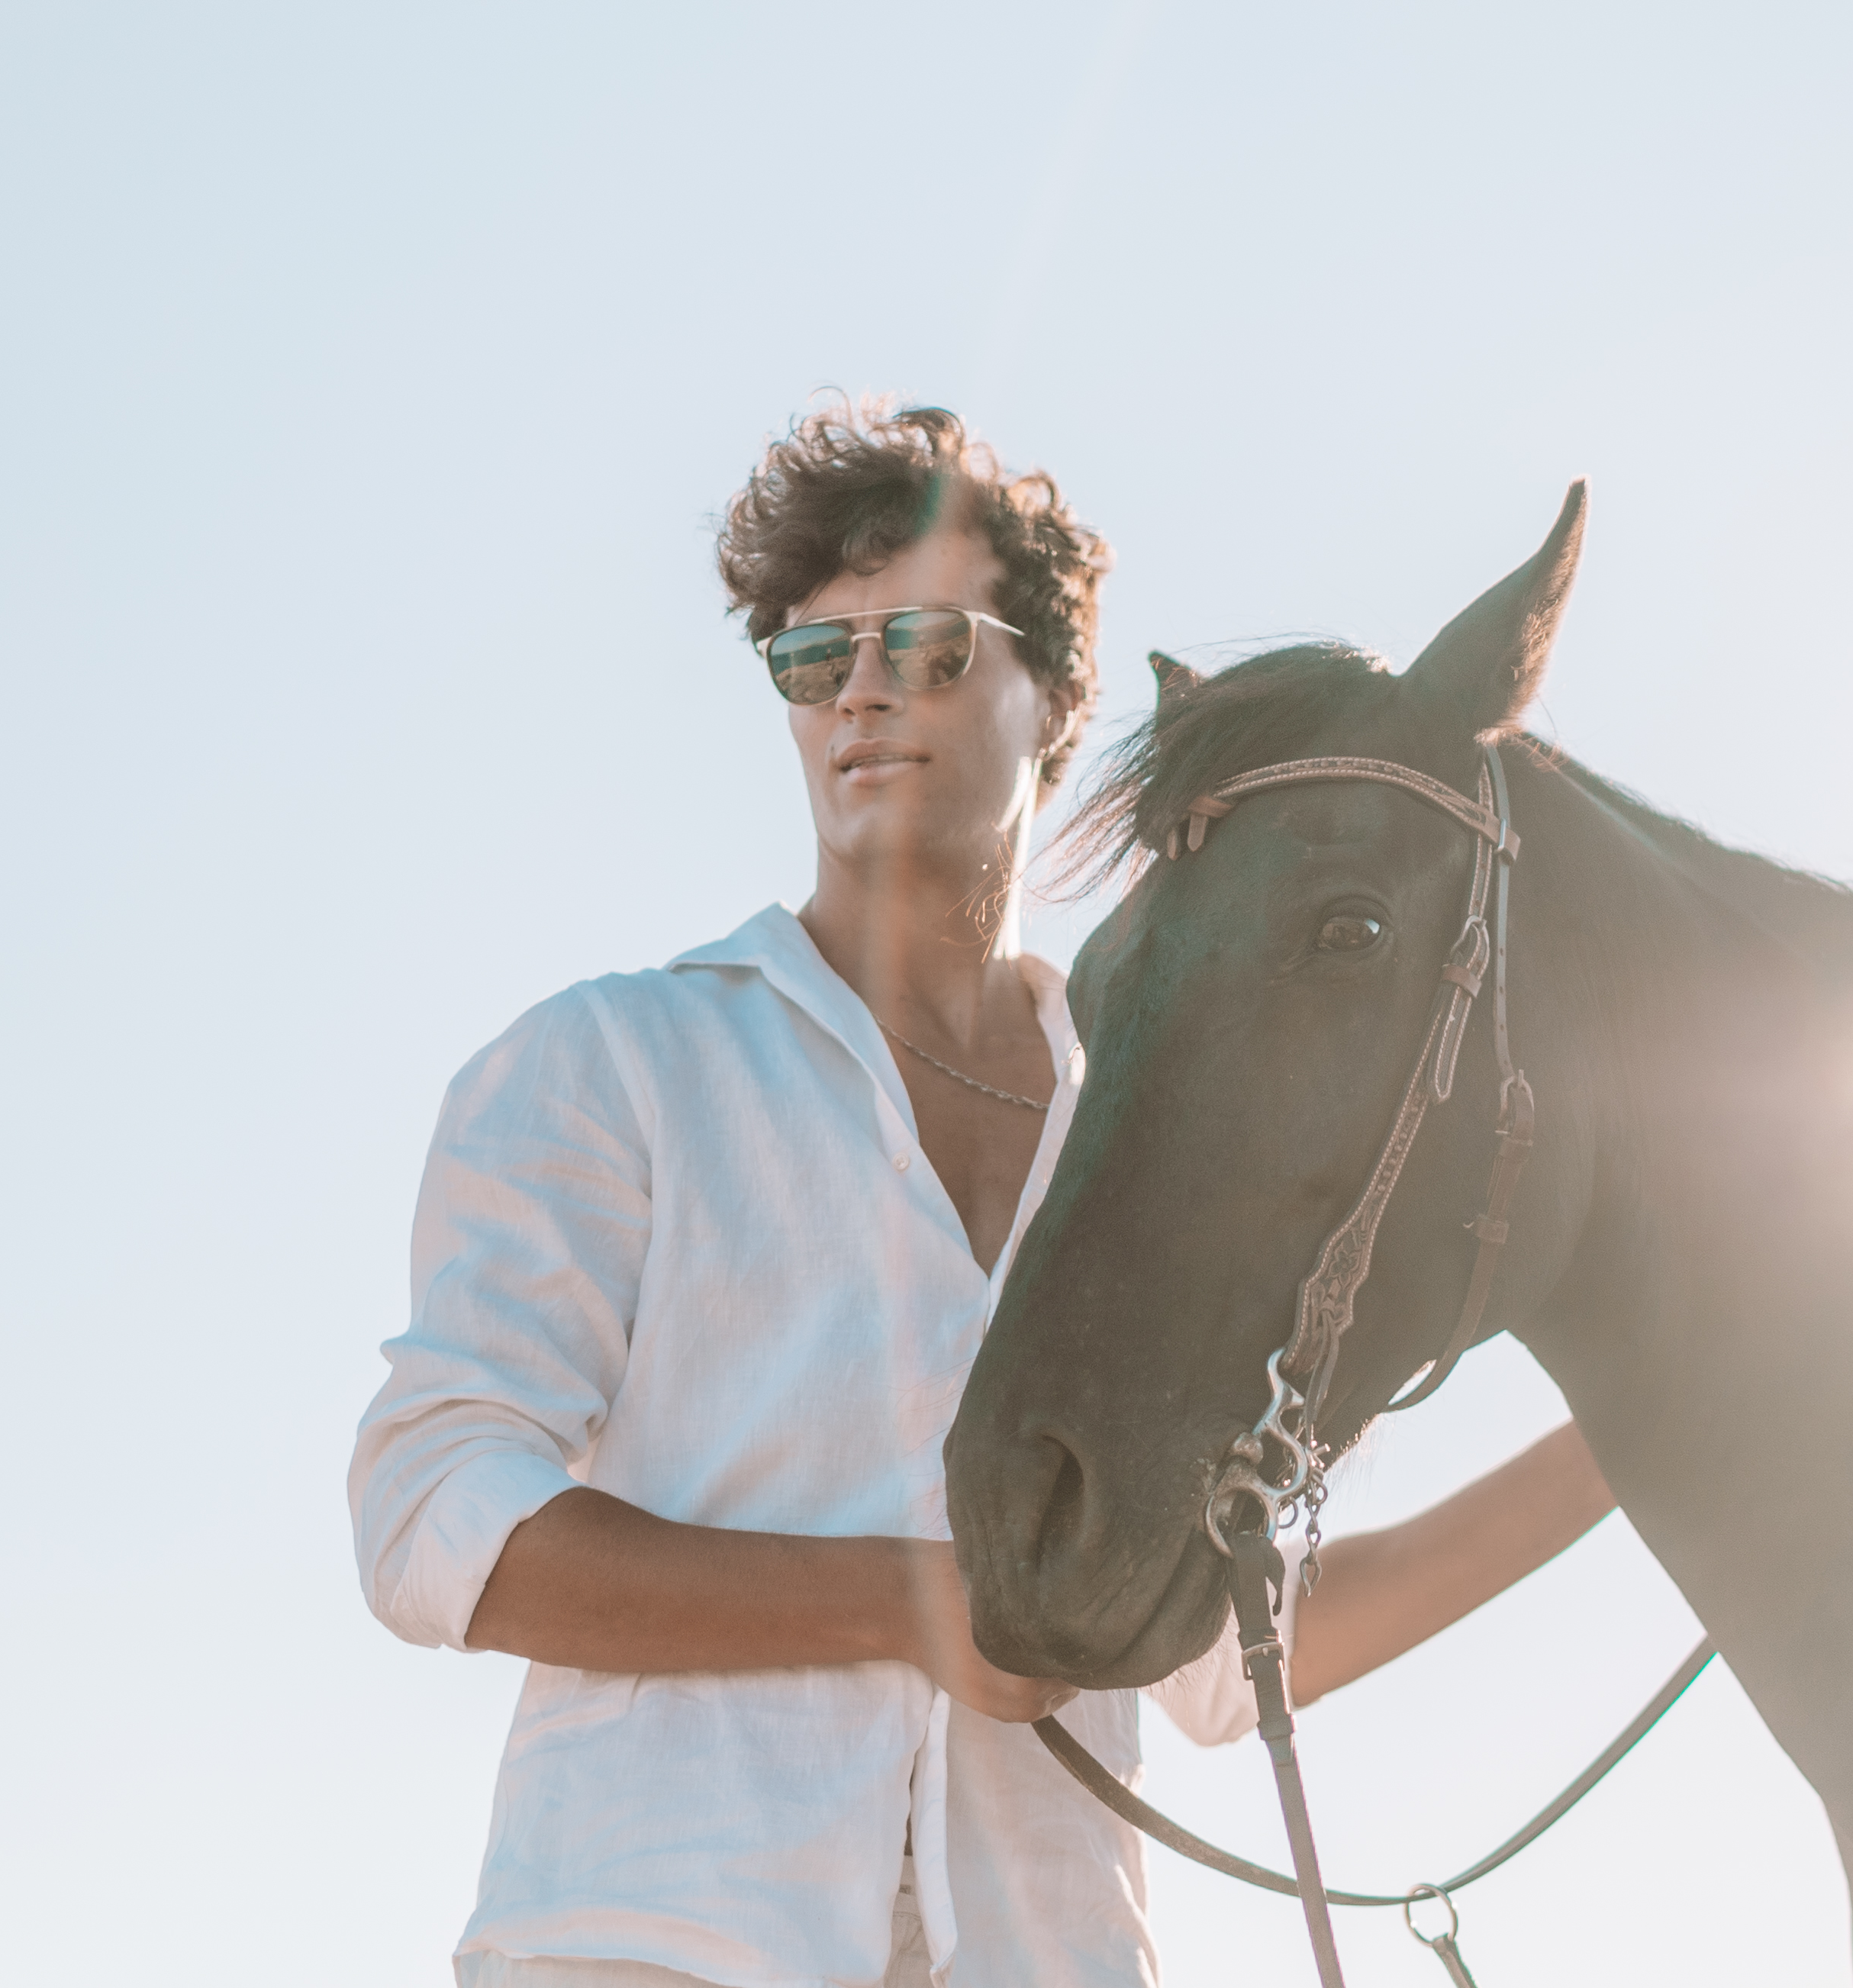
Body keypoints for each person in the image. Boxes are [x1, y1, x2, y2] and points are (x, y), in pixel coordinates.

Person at [348, 400, 1617, 1988]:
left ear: (1059, 698)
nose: (861, 691)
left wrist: (1623, 1451)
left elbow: (1233, 1654)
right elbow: (435, 1522)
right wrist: (907, 1604)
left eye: (928, 645)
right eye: (814, 659)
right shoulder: (613, 1061)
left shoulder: (1154, 1128)